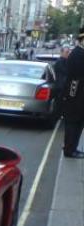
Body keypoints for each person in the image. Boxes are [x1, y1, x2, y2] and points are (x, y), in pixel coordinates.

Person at [62, 28, 84, 159]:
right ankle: (70, 150)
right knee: (73, 123)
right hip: (76, 96)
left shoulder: (79, 53)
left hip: (77, 95)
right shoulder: (78, 54)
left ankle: (72, 148)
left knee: (77, 122)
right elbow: (76, 77)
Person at [54, 46, 70, 117]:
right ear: (62, 53)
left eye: (69, 52)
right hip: (60, 87)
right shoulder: (60, 62)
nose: (68, 54)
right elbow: (66, 72)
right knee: (59, 102)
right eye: (66, 52)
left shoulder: (66, 61)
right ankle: (58, 115)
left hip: (64, 86)